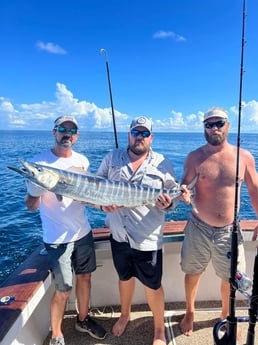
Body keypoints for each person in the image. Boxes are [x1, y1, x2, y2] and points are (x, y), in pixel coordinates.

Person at [96, 116, 190, 345]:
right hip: (118, 234)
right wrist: (101, 204)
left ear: (151, 137)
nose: (139, 137)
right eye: (135, 132)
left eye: (144, 133)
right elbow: (96, 185)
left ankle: (159, 329)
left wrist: (169, 203)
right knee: (124, 277)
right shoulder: (112, 157)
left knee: (153, 285)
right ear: (129, 134)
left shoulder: (162, 162)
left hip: (147, 237)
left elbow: (173, 194)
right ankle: (125, 314)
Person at [24, 115, 107, 345]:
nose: (66, 134)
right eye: (62, 129)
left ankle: (83, 319)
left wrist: (104, 203)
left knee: (85, 278)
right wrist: (35, 190)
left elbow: (87, 198)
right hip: (57, 239)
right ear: (54, 132)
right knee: (63, 288)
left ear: (76, 136)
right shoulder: (39, 163)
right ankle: (57, 334)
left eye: (71, 130)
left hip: (83, 232)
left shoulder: (82, 161)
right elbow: (31, 206)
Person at [179, 107, 258, 336]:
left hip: (229, 231)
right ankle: (190, 311)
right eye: (209, 124)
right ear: (203, 128)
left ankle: (226, 315)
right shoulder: (195, 156)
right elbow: (185, 183)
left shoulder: (244, 157)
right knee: (192, 271)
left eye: (219, 123)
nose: (214, 128)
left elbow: (254, 189)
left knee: (231, 277)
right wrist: (183, 191)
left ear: (228, 125)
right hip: (198, 226)